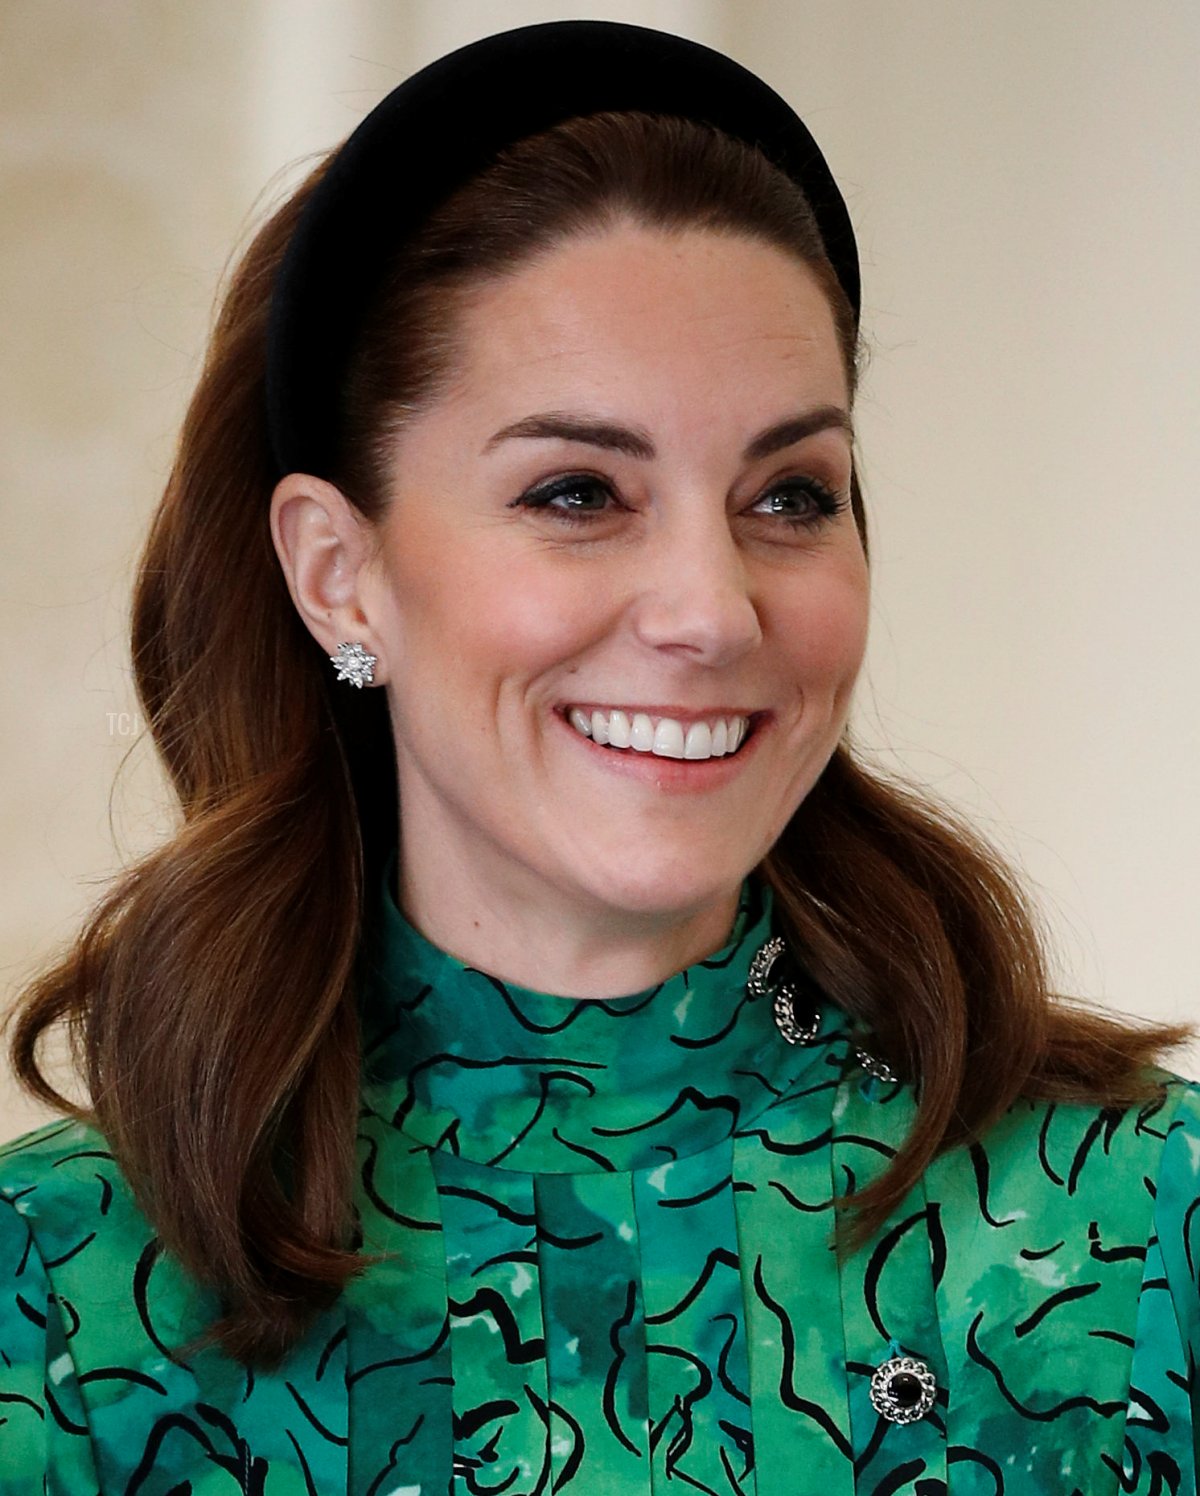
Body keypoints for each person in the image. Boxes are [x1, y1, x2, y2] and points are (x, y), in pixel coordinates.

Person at [0, 18, 1196, 1494]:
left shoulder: (1136, 1230)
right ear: (338, 572)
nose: (710, 609)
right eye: (578, 492)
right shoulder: (57, 1299)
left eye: (791, 495)